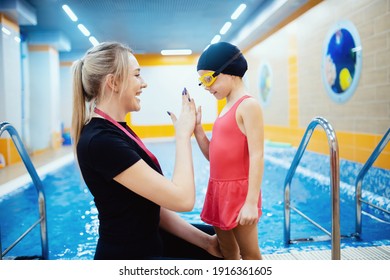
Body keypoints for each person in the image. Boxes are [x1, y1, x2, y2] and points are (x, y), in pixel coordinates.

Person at [71, 41, 222, 260]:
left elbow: (149, 206)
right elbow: (183, 199)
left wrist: (207, 243)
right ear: (113, 82)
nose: (144, 84)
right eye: (137, 75)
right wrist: (182, 136)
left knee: (222, 239)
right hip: (129, 257)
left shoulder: (116, 130)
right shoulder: (101, 141)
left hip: (150, 241)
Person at [193, 42, 264, 260]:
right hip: (219, 191)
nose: (206, 86)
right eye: (202, 82)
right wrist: (198, 131)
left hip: (239, 194)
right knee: (228, 253)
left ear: (229, 72)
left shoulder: (247, 105)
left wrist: (251, 202)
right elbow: (214, 157)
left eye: (209, 79)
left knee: (250, 254)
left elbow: (257, 155)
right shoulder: (226, 107)